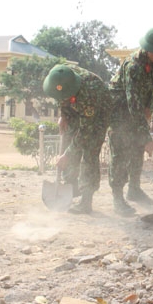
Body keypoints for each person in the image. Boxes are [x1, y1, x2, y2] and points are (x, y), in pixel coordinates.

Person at [107, 27, 153, 216]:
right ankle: (117, 197)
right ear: (146, 48)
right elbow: (132, 102)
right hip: (119, 112)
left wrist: (148, 107)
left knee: (137, 150)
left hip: (135, 108)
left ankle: (134, 190)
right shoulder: (134, 66)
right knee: (119, 153)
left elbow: (149, 89)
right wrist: (146, 136)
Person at [42, 63, 111, 214]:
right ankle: (71, 186)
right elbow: (61, 96)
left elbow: (86, 131)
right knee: (68, 141)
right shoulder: (60, 74)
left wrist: (67, 154)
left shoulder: (90, 94)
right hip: (74, 109)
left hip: (98, 117)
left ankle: (86, 201)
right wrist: (63, 115)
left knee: (89, 154)